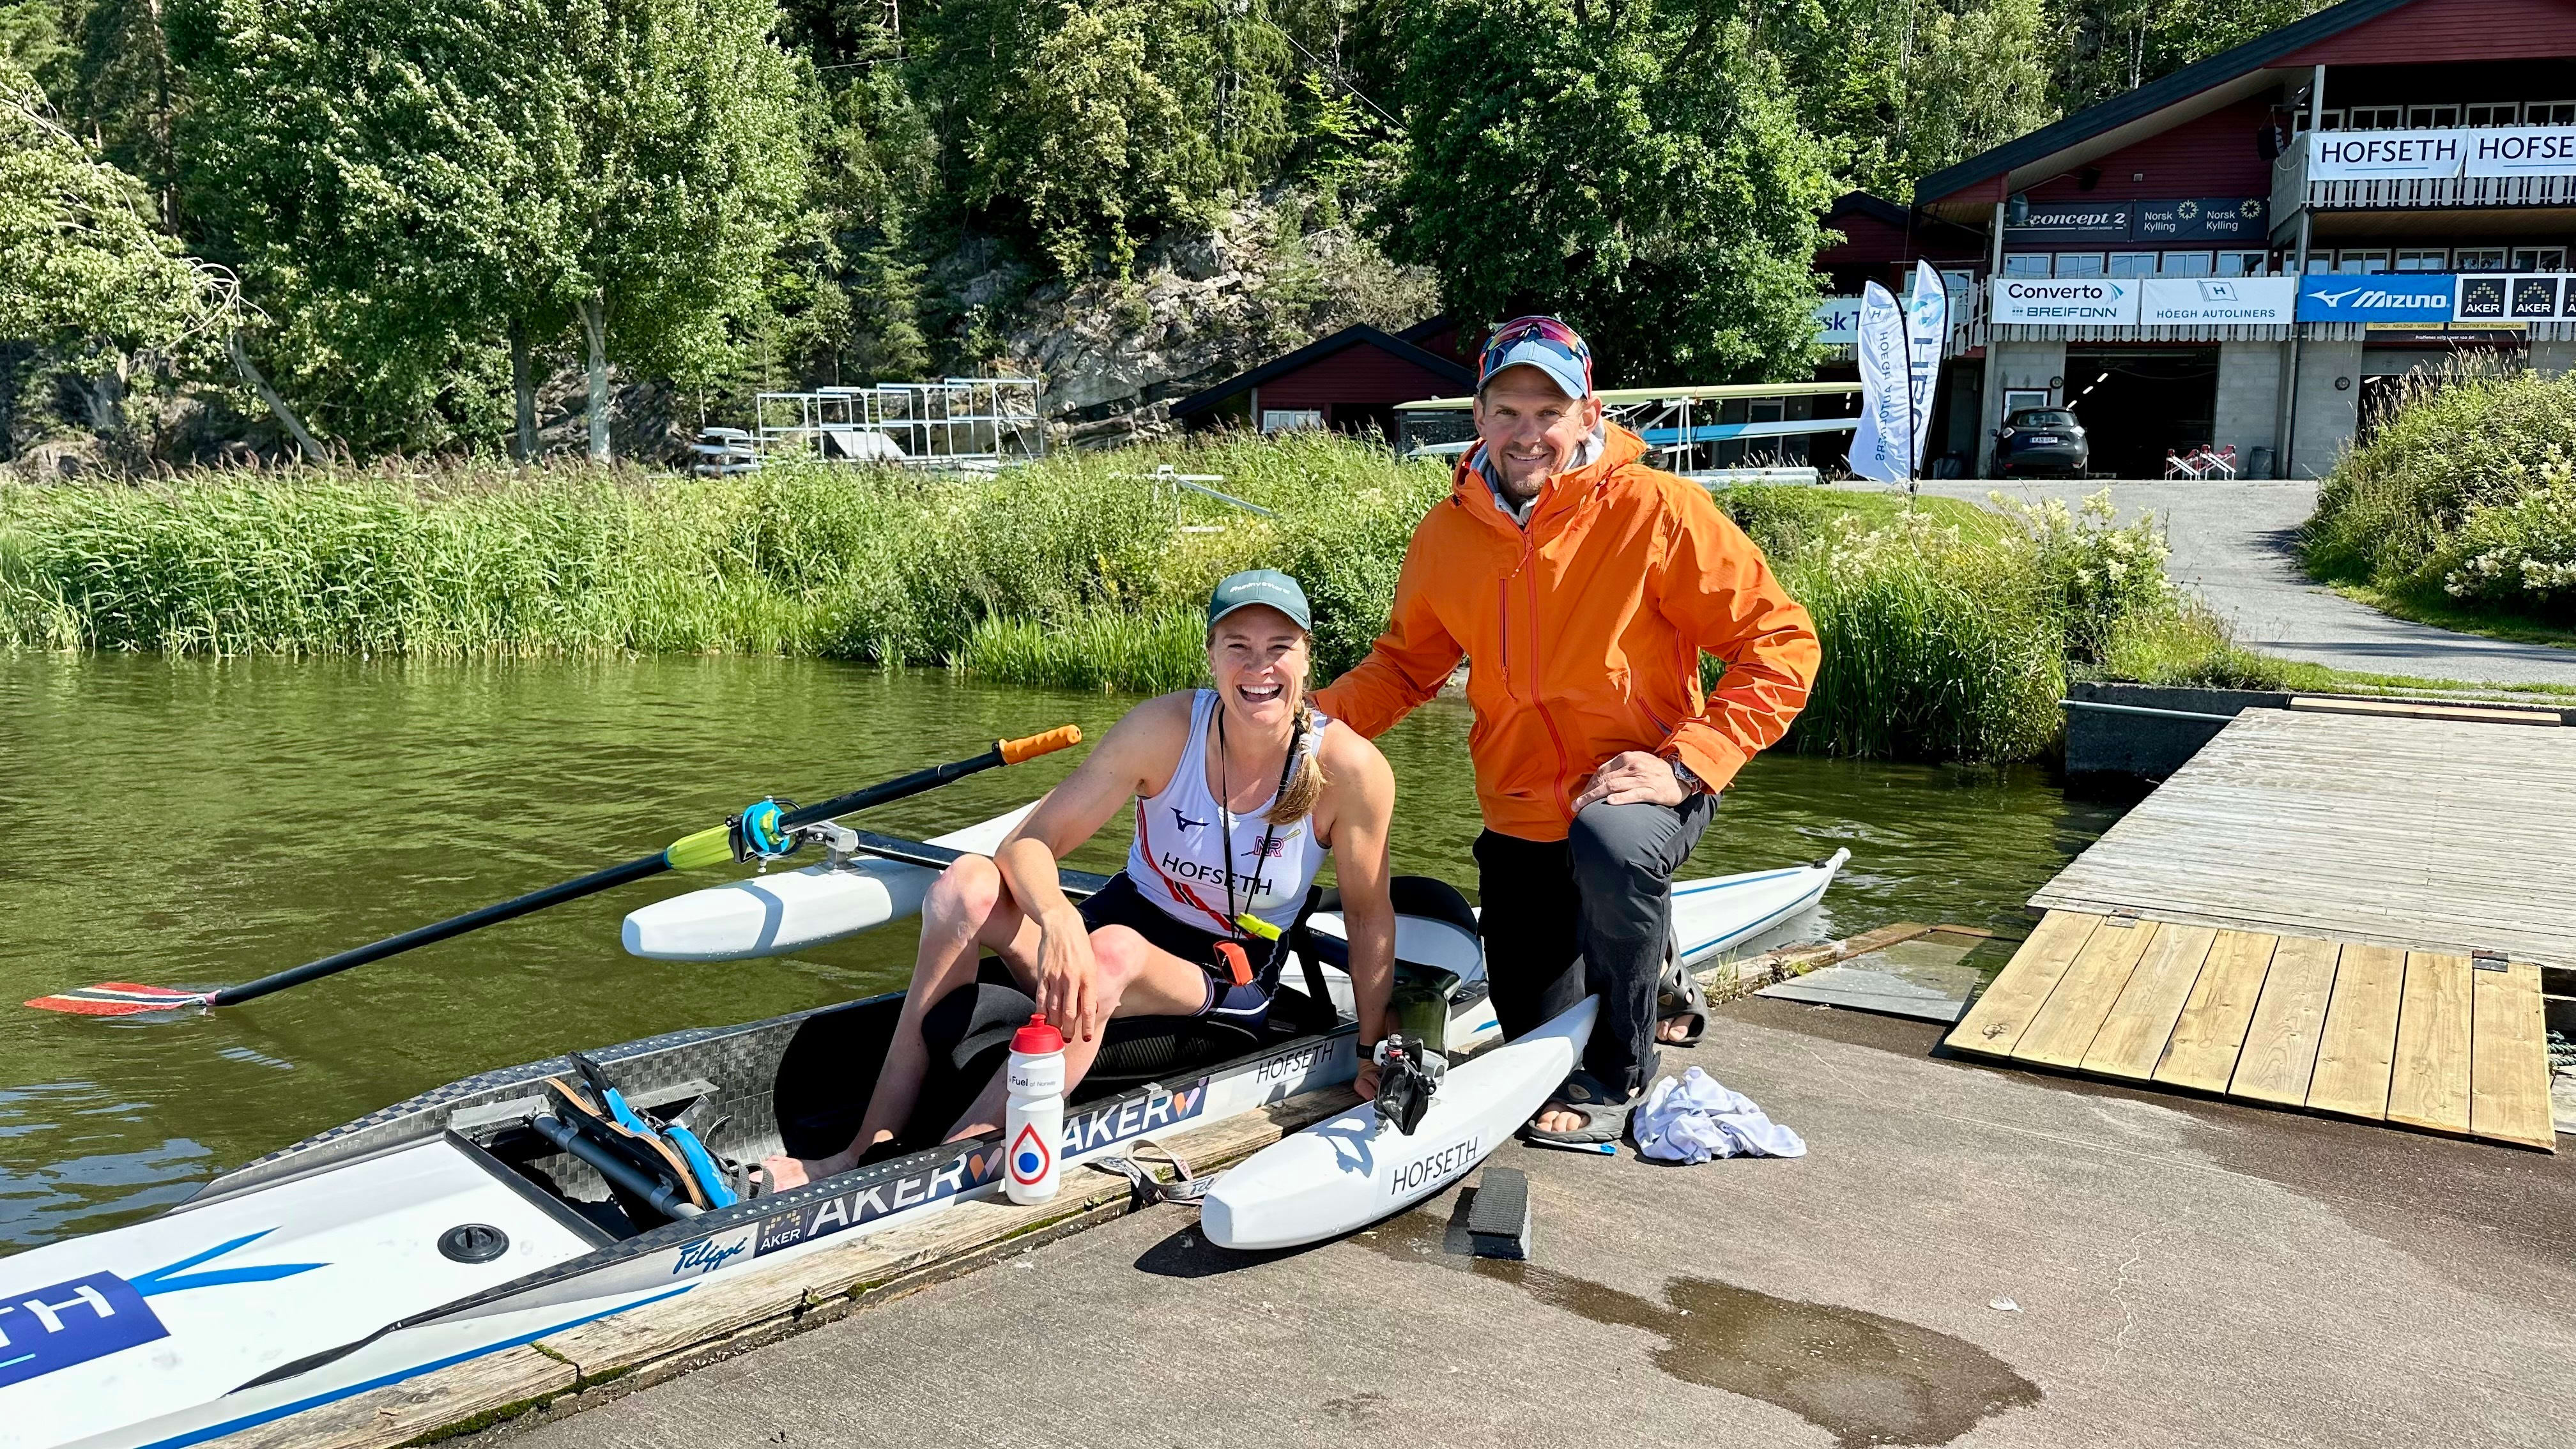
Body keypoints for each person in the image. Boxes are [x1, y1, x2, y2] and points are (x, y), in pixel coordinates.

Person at [1314, 316, 1819, 1151]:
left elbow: (1782, 643)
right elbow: (1403, 669)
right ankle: (1652, 962)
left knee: (1612, 848)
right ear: (1478, 417)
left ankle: (1622, 1071)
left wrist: (1689, 763)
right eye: (1507, 411)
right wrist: (1297, 731)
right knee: (1535, 1039)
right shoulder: (1446, 535)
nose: (1528, 434)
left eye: (1549, 412)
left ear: (1589, 415)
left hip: (1643, 792)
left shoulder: (1658, 510)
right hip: (1520, 811)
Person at [763, 571, 1399, 1189]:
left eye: (1279, 648)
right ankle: (861, 1151)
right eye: (1239, 647)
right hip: (1113, 929)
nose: (1259, 668)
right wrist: (1057, 916)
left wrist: (1373, 1048)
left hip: (1226, 977)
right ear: (1211, 656)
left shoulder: (1350, 770)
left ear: (1307, 659)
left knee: (1111, 950)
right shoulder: (1163, 730)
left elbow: (1369, 916)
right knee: (964, 888)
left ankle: (953, 1162)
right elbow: (1028, 844)